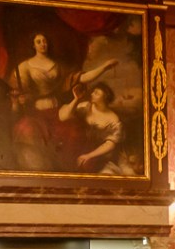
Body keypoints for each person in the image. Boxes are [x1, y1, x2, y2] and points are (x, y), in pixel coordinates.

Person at [11, 32, 118, 171]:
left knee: (74, 133)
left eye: (45, 41)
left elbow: (82, 78)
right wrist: (22, 97)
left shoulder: (58, 66)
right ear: (33, 45)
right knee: (29, 132)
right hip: (36, 112)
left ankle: (71, 171)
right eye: (39, 41)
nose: (43, 44)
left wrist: (104, 67)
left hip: (58, 111)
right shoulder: (24, 66)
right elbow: (20, 90)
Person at [58, 82, 126, 173]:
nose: (92, 94)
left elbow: (110, 144)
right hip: (78, 144)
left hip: (96, 152)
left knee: (86, 166)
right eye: (93, 92)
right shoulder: (86, 106)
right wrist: (76, 99)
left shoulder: (113, 119)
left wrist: (89, 156)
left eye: (96, 93)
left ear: (105, 97)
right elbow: (63, 117)